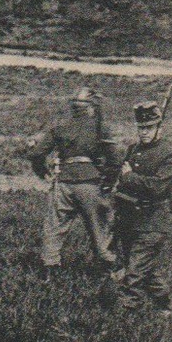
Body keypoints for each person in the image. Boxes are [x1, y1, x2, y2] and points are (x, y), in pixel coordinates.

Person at [27, 87, 117, 269]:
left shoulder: (60, 128)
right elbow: (115, 161)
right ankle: (109, 271)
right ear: (91, 108)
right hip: (90, 184)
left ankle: (50, 272)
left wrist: (43, 173)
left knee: (53, 230)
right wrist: (108, 183)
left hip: (63, 184)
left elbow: (37, 154)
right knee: (101, 231)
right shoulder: (101, 130)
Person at [112, 100, 172, 315]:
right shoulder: (133, 150)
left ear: (159, 128)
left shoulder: (170, 156)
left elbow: (157, 188)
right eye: (140, 128)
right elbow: (121, 180)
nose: (143, 132)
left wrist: (130, 177)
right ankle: (167, 305)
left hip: (153, 222)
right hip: (129, 220)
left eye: (148, 128)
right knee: (146, 269)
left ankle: (126, 314)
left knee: (134, 273)